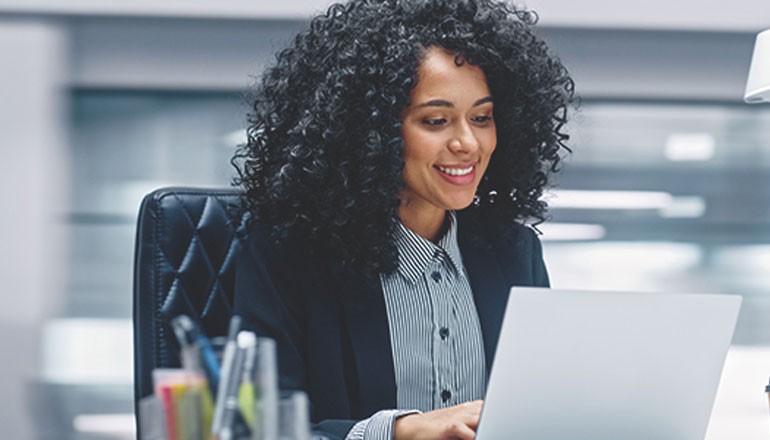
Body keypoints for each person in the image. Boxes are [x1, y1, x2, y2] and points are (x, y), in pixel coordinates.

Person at [231, 0, 574, 439]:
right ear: (369, 130)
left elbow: (539, 411)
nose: (468, 143)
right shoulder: (288, 256)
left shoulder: (514, 253)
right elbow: (257, 429)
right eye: (436, 120)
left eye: (481, 118)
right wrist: (398, 432)